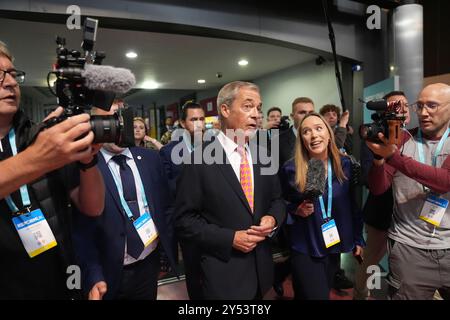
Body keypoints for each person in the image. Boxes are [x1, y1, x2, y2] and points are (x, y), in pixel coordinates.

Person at [0, 41, 105, 299]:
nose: (10, 82)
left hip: (58, 282)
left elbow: (92, 206)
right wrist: (38, 158)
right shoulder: (44, 146)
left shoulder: (41, 135)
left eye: (13, 74)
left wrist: (87, 160)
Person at [175, 81, 286, 299]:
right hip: (223, 276)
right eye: (247, 106)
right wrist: (229, 238)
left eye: (259, 108)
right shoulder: (198, 161)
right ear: (225, 110)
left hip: (261, 273)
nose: (256, 115)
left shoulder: (264, 155)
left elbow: (278, 200)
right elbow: (184, 220)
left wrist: (272, 219)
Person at [73, 101, 177, 300]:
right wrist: (93, 274)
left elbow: (166, 209)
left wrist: (165, 256)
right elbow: (81, 230)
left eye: (121, 118)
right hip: (107, 272)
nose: (116, 126)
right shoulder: (85, 166)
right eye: (108, 119)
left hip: (149, 264)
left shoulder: (151, 159)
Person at [366, 83, 450, 300]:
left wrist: (393, 157)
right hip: (408, 249)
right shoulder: (402, 139)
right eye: (419, 106)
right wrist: (378, 159)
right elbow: (378, 188)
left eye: (432, 106)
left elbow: (444, 182)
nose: (423, 113)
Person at [279, 112, 364, 300]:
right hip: (305, 246)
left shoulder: (346, 164)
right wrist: (295, 209)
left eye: (318, 128)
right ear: (301, 139)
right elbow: (279, 204)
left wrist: (358, 238)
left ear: (328, 133)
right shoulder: (291, 168)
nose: (314, 135)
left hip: (332, 243)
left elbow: (353, 205)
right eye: (306, 131)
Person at [353, 90, 410, 300]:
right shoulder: (374, 136)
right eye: (394, 106)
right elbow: (369, 177)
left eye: (404, 105)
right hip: (381, 215)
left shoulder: (417, 137)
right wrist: (384, 157)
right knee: (370, 264)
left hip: (411, 218)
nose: (400, 109)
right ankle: (361, 295)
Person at [160, 100, 205, 299]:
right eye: (193, 119)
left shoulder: (217, 148)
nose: (199, 124)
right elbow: (165, 189)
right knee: (194, 270)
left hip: (215, 217)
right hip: (187, 219)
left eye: (202, 119)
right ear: (182, 123)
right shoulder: (169, 151)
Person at [279, 97, 315, 167]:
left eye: (311, 112)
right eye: (302, 112)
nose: (307, 116)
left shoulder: (321, 138)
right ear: (292, 116)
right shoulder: (277, 142)